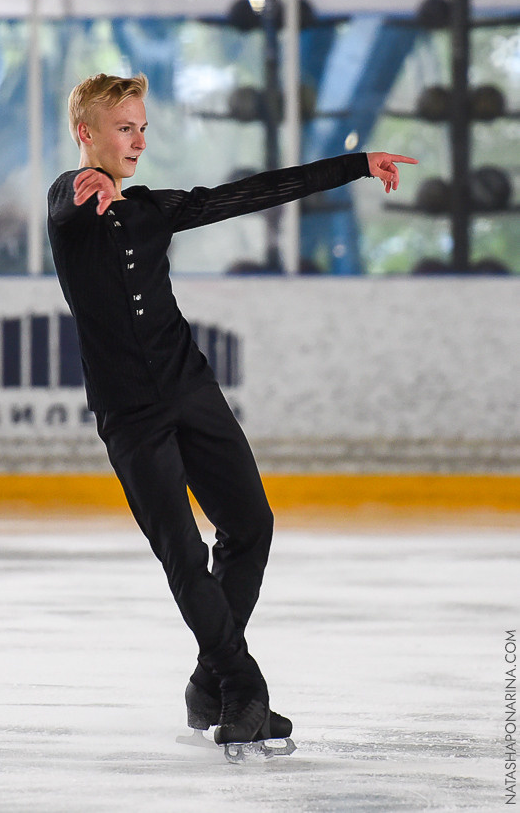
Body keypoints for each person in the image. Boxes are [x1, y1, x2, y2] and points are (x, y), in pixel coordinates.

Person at [47, 72, 418, 747]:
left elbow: (247, 194)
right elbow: (68, 205)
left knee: (249, 524)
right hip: (130, 414)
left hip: (192, 391)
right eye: (123, 127)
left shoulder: (153, 210)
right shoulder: (65, 211)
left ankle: (207, 682)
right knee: (182, 553)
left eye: (142, 127)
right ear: (87, 134)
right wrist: (86, 191)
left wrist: (356, 165)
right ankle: (242, 689)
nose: (136, 140)